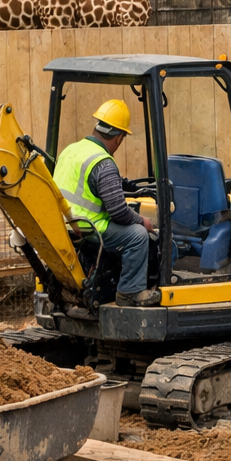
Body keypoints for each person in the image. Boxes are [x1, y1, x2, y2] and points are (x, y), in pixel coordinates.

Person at [53, 100, 158, 308]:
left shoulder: (71, 150)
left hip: (64, 224)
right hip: (90, 228)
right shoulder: (103, 162)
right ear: (119, 138)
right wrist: (142, 221)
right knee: (137, 235)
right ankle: (130, 292)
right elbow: (118, 211)